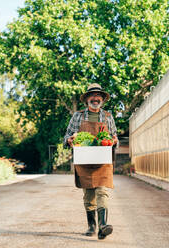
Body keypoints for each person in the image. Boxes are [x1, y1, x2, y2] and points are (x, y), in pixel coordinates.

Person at [63, 83, 118, 240]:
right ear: (87, 99)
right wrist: (70, 140)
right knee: (89, 195)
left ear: (102, 99)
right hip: (85, 160)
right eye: (92, 95)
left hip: (103, 160)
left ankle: (103, 225)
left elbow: (115, 137)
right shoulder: (78, 116)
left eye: (98, 95)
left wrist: (114, 141)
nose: (96, 98)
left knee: (102, 191)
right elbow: (66, 136)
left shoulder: (108, 117)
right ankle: (92, 226)